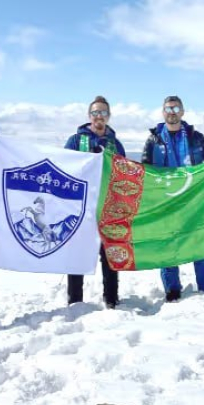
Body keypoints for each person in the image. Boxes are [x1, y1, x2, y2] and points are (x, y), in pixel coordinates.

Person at [142, 95, 204, 302]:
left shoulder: (195, 137)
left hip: (193, 200)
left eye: (176, 108)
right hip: (166, 202)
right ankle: (172, 291)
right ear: (163, 112)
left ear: (183, 112)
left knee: (199, 244)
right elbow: (144, 170)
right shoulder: (153, 140)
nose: (172, 112)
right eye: (169, 109)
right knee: (168, 246)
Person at [64, 96, 126, 309]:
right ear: (89, 116)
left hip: (108, 207)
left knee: (109, 254)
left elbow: (124, 174)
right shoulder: (75, 141)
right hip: (81, 207)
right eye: (95, 112)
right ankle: (75, 301)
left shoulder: (115, 144)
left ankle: (111, 299)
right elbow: (63, 168)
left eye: (103, 113)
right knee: (77, 254)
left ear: (109, 116)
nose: (99, 116)